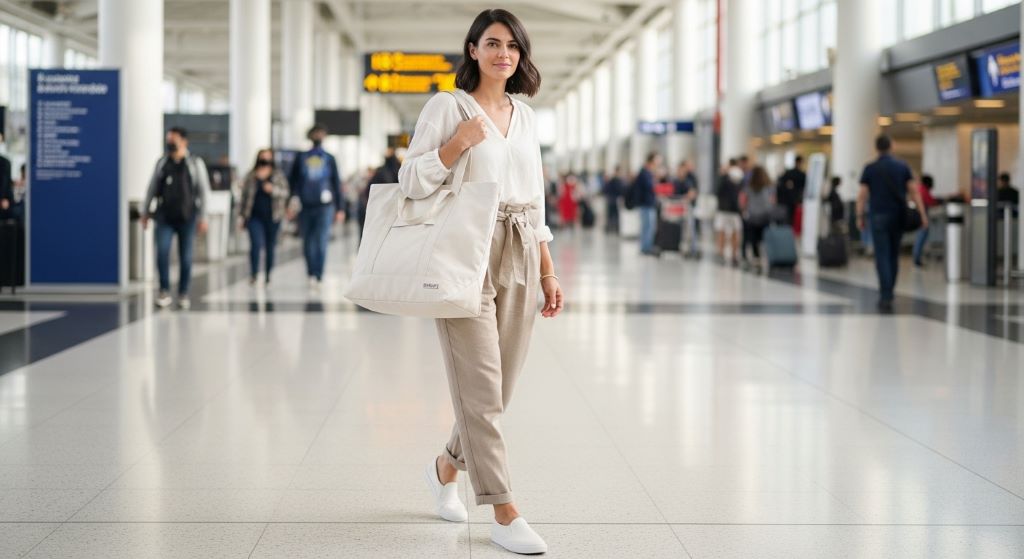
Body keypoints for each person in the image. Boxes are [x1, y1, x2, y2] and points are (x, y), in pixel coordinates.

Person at [397, 9, 562, 554]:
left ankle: (446, 467)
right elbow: (410, 178)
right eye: (491, 43)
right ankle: (504, 508)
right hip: (465, 249)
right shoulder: (449, 106)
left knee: (499, 388)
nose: (503, 54)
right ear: (472, 50)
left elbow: (534, 196)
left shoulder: (526, 115)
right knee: (482, 392)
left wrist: (547, 268)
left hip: (517, 245)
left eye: (512, 46)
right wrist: (457, 145)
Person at [141, 127, 211, 310]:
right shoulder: (162, 163)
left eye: (174, 139)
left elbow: (204, 192)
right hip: (164, 216)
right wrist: (145, 211)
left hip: (187, 217)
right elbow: (152, 188)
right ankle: (164, 290)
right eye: (168, 139)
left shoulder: (195, 164)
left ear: (184, 141)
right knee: (162, 253)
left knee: (186, 257)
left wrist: (204, 217)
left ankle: (183, 292)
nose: (170, 143)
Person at [857, 135, 928, 311]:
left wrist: (859, 216)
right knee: (893, 254)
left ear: (876, 148)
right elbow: (914, 192)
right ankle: (890, 289)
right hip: (898, 216)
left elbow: (862, 195)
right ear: (891, 146)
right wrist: (922, 214)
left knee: (881, 255)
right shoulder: (902, 166)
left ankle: (885, 294)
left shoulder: (870, 168)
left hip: (878, 216)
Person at [288, 123, 345, 289]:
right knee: (307, 241)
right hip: (305, 205)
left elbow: (336, 183)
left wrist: (340, 208)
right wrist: (289, 203)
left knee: (320, 240)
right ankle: (311, 272)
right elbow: (293, 181)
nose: (318, 137)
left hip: (325, 207)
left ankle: (319, 274)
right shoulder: (301, 157)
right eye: (316, 134)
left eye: (321, 134)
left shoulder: (329, 158)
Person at [237, 149, 290, 285]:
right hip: (254, 217)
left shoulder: (277, 175)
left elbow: (285, 192)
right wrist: (241, 216)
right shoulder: (251, 175)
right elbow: (243, 197)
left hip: (273, 216)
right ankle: (254, 274)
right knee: (255, 244)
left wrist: (273, 189)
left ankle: (268, 274)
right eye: (262, 158)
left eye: (267, 158)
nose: (264, 161)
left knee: (270, 246)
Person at [360, 149, 401, 240]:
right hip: (395, 209)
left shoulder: (380, 171)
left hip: (380, 208)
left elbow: (368, 189)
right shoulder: (401, 171)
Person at [740, 165, 776, 265]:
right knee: (763, 237)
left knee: (751, 238)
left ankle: (754, 257)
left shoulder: (749, 186)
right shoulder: (769, 186)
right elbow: (772, 201)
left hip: (752, 216)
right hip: (765, 216)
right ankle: (765, 256)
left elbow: (743, 200)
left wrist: (744, 210)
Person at [715, 160, 744, 265]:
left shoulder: (725, 177)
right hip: (734, 209)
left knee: (723, 231)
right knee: (734, 232)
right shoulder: (740, 176)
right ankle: (733, 255)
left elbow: (717, 191)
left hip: (724, 209)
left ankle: (722, 253)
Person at [912, 174, 939, 267]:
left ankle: (917, 258)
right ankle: (917, 259)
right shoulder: (923, 190)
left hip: (920, 216)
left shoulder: (920, 189)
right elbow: (930, 201)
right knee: (921, 236)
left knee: (920, 237)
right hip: (922, 216)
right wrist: (924, 218)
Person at [636, 152, 660, 255]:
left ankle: (647, 246)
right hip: (646, 204)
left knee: (649, 226)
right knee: (647, 226)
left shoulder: (648, 173)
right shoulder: (645, 173)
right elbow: (650, 187)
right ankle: (645, 247)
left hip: (649, 204)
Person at [776, 155, 806, 227]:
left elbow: (780, 182)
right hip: (795, 199)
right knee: (793, 216)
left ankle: (788, 229)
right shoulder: (801, 175)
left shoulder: (789, 173)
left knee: (789, 217)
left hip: (788, 199)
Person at [602, 166, 624, 234]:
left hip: (613, 199)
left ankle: (613, 228)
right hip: (613, 199)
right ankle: (611, 228)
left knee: (614, 215)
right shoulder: (614, 180)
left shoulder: (616, 180)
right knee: (612, 215)